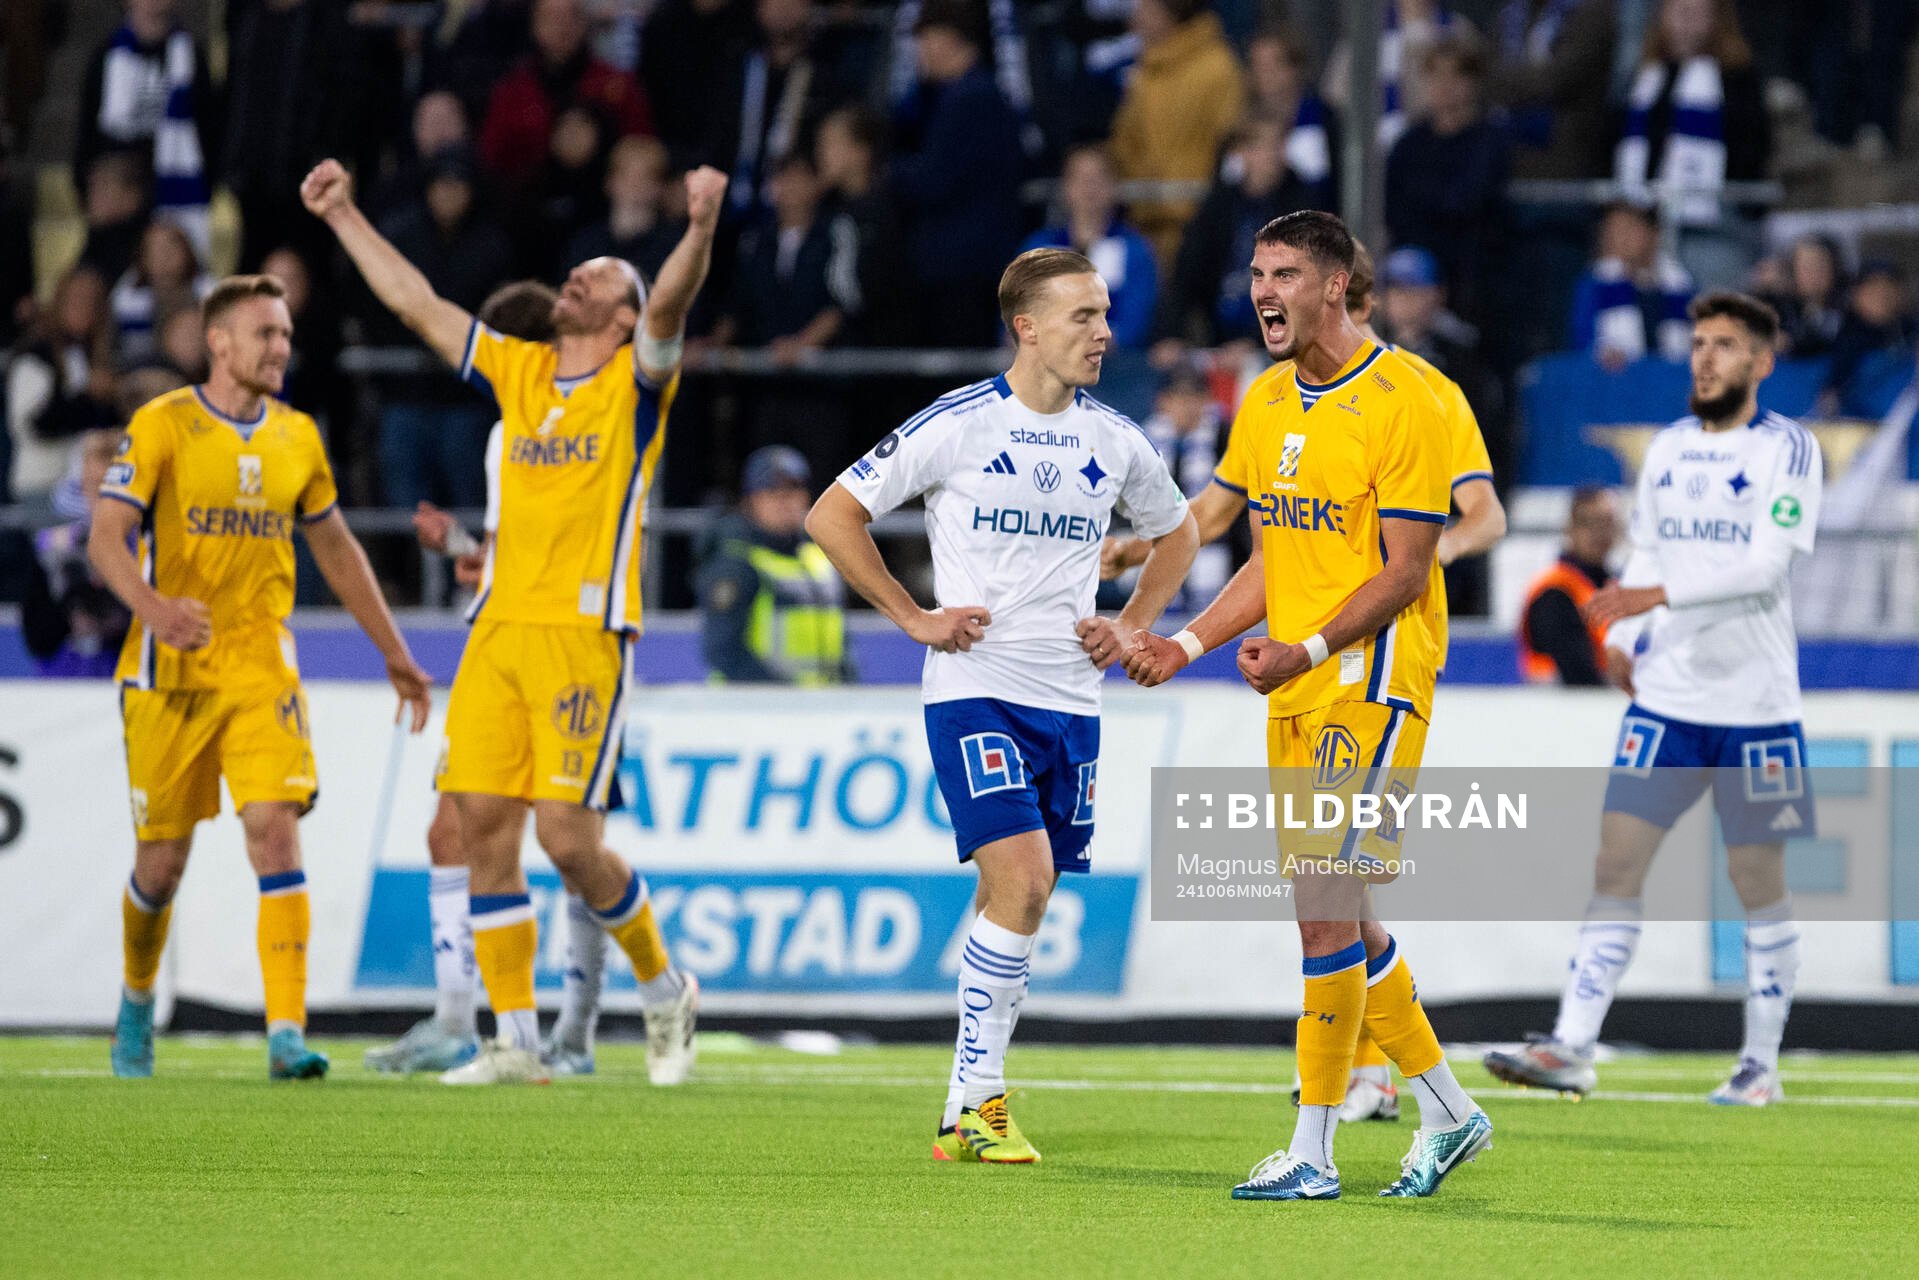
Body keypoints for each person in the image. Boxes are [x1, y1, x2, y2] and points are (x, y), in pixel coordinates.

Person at [305, 155, 723, 1085]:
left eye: (601, 280)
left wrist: (695, 229)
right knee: (481, 825)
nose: (576, 277)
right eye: (579, 272)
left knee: (568, 842)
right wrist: (344, 217)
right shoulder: (520, 369)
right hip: (496, 632)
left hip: (583, 638)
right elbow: (419, 304)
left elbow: (671, 310)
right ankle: (514, 1046)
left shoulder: (637, 386)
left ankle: (664, 989)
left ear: (621, 320)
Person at [1124, 212, 1492, 1201]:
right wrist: (1186, 641)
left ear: (1334, 285)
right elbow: (1267, 552)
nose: (1262, 291)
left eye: (1283, 272)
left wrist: (1309, 645)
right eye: (1254, 273)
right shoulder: (1264, 397)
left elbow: (1407, 571)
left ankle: (1312, 1149)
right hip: (1294, 682)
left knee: (1323, 911)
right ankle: (1452, 1113)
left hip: (1370, 676)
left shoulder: (1404, 398)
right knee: (1343, 918)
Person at [806, 247, 1198, 1162]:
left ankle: (961, 1108)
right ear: (1025, 327)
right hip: (976, 687)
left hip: (1072, 703)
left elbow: (1175, 532)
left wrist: (1132, 623)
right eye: (1082, 318)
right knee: (1023, 881)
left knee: (1022, 891)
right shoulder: (960, 423)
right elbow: (832, 512)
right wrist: (911, 616)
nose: (1103, 333)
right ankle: (978, 1107)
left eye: (1104, 315)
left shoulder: (1114, 437)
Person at [90, 274, 433, 1080]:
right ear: (219, 343)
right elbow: (107, 535)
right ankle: (137, 1003)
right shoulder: (163, 424)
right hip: (167, 670)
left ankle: (285, 1032)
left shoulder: (298, 439)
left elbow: (338, 550)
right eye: (265, 334)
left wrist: (393, 651)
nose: (281, 347)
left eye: (285, 334)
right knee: (160, 865)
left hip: (261, 668)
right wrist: (152, 605)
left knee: (275, 830)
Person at [1485, 292, 1821, 1107]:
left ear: (1760, 363)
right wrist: (1624, 641)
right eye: (1699, 343)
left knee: (1756, 880)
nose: (1705, 358)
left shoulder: (1789, 450)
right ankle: (1571, 1046)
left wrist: (1649, 600)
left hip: (1756, 708)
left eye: (1726, 346)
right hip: (1667, 702)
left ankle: (1759, 1064)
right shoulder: (1668, 449)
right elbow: (1642, 561)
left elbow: (1765, 568)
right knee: (1615, 863)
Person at [363, 279, 594, 1077]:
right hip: (512, 641)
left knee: (568, 849)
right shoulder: (515, 433)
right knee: (465, 835)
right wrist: (463, 543)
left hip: (556, 652)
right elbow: (507, 555)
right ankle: (471, 1022)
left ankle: (555, 1032)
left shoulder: (532, 429)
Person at [888, 0, 1026, 347]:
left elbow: (933, 179)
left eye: (925, 38)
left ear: (950, 38)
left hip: (963, 272)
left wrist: (886, 172)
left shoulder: (971, 99)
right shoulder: (957, 96)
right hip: (965, 267)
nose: (919, 50)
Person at [1107, 0, 1247, 269]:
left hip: (1200, 226)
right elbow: (1125, 144)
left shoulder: (1217, 68)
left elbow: (1230, 144)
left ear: (1169, 14)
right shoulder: (1143, 72)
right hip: (1144, 224)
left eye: (1146, 10)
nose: (1136, 18)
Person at [73, 0, 218, 252]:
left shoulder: (192, 55)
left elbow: (209, 129)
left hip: (175, 194)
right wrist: (91, 190)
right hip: (118, 199)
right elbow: (88, 133)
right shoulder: (105, 56)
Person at [1384, 34, 1509, 326]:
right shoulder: (1409, 143)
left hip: (1469, 275)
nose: (1445, 85)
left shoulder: (1489, 141)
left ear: (1473, 82)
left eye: (1456, 75)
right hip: (1409, 268)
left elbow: (1464, 204)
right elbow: (1393, 207)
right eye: (1435, 75)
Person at [697, 445, 850, 685]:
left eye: (792, 490)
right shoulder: (736, 563)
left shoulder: (821, 557)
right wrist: (784, 697)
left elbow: (841, 640)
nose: (783, 501)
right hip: (749, 711)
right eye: (771, 491)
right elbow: (724, 651)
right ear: (751, 501)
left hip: (818, 709)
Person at [480, 0, 652, 191]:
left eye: (572, 17)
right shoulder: (512, 92)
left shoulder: (617, 86)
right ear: (535, 24)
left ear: (585, 22)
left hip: (605, 203)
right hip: (529, 204)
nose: (563, 27)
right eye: (552, 18)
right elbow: (493, 159)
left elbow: (643, 150)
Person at [1019, 145, 1159, 351]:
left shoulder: (1135, 249)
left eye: (1098, 178)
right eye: (1080, 178)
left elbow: (1134, 325)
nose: (1089, 187)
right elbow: (1016, 316)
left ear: (1114, 187)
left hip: (1115, 372)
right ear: (1066, 187)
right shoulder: (1039, 248)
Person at [23, 430, 132, 677]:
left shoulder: (148, 547)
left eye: (107, 485)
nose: (99, 495)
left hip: (127, 672)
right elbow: (37, 637)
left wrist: (117, 622)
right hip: (63, 680)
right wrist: (72, 619)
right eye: (91, 484)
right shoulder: (53, 547)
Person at [6, 267, 120, 500]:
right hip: (43, 485)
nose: (84, 307)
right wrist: (87, 395)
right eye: (76, 298)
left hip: (90, 487)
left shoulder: (102, 358)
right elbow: (31, 424)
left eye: (92, 301)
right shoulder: (35, 355)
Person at [1569, 202, 1694, 370]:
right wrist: (1601, 355)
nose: (1618, 240)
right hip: (1617, 384)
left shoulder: (1681, 287)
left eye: (1627, 230)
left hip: (1669, 383)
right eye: (1611, 232)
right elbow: (1580, 343)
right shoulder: (1594, 285)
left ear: (1653, 233)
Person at [1518, 485, 1620, 685]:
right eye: (1589, 523)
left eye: (1607, 523)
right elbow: (1576, 671)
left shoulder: (1612, 586)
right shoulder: (1554, 592)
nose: (1600, 533)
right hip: (1555, 705)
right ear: (1570, 528)